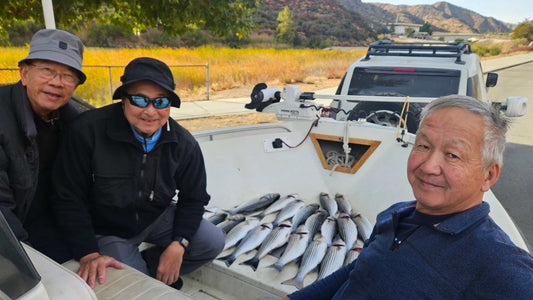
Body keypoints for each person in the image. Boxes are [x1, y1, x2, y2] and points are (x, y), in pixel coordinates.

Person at [263, 95, 533, 299]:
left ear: (488, 175)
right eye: (423, 146)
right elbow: (360, 269)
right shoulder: (398, 212)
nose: (428, 166)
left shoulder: (497, 262)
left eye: (452, 155)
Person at [51, 57, 225, 289]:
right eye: (140, 100)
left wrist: (178, 245)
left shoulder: (184, 143)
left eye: (160, 101)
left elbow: (194, 199)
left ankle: (151, 268)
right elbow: (67, 197)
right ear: (123, 100)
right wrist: (88, 254)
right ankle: (143, 274)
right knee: (132, 288)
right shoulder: (86, 131)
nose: (150, 111)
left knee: (212, 241)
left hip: (155, 218)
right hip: (107, 229)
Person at [0, 29, 86, 263]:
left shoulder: (73, 121)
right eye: (47, 70)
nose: (57, 82)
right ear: (24, 73)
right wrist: (27, 261)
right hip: (10, 228)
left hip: (48, 217)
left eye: (68, 76)